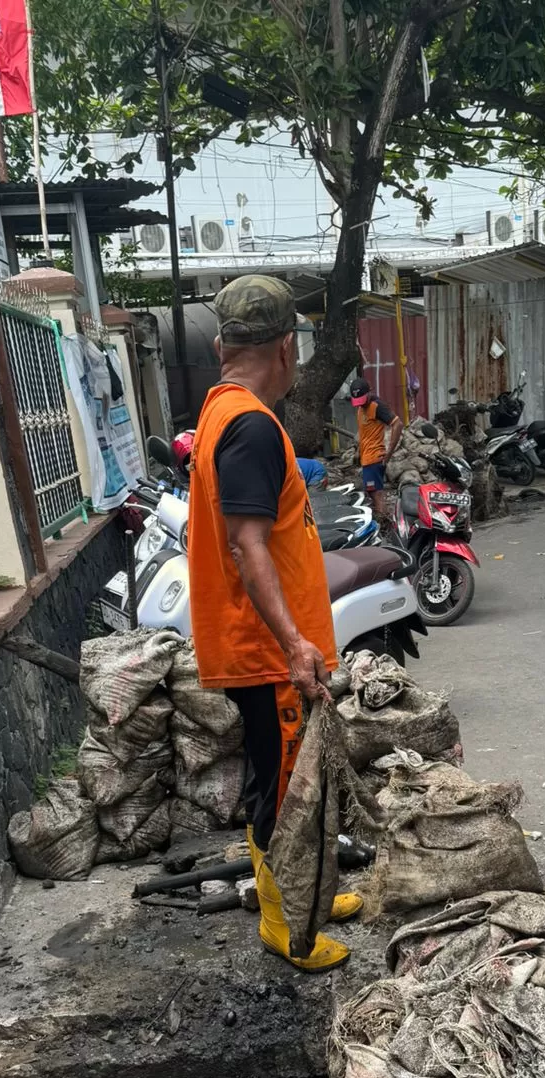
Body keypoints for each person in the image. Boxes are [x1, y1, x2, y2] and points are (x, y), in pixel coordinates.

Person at [186, 274, 362, 972]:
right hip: (265, 650)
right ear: (288, 346)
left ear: (225, 345)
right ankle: (286, 926)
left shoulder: (221, 412)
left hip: (257, 646)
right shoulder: (252, 426)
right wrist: (295, 643)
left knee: (277, 779)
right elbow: (247, 543)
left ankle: (299, 898)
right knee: (284, 790)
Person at [348, 376, 402, 520]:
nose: (360, 404)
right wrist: (359, 451)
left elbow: (398, 424)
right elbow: (363, 432)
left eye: (362, 399)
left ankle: (383, 525)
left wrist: (389, 453)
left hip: (375, 459)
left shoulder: (377, 407)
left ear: (369, 392)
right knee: (372, 494)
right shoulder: (361, 409)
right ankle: (382, 522)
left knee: (376, 495)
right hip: (366, 459)